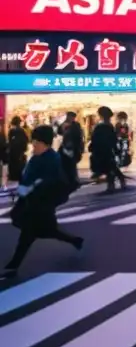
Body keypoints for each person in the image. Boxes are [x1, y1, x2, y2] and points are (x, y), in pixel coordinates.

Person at [2, 126, 84, 279]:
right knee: (49, 231)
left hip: (41, 204)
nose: (33, 145)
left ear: (45, 143)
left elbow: (49, 182)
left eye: (36, 142)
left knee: (28, 235)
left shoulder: (52, 160)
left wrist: (30, 187)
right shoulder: (38, 157)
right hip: (34, 203)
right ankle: (75, 240)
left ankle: (12, 266)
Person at [89, 106, 125, 192]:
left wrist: (92, 146)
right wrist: (115, 149)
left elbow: (95, 138)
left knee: (108, 166)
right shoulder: (109, 125)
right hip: (107, 149)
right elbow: (113, 139)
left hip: (101, 149)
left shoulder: (100, 126)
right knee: (110, 166)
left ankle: (113, 183)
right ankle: (116, 182)